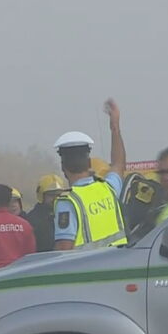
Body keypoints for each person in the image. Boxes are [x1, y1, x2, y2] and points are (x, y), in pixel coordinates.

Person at [53, 98, 127, 250]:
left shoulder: (67, 202)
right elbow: (119, 164)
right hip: (119, 267)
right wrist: (115, 128)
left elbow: (64, 248)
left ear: (63, 167)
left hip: (87, 271)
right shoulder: (108, 189)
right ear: (89, 163)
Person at [26, 174, 66, 252]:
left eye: (58, 195)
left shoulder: (65, 214)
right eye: (51, 195)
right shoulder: (33, 219)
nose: (56, 198)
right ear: (41, 196)